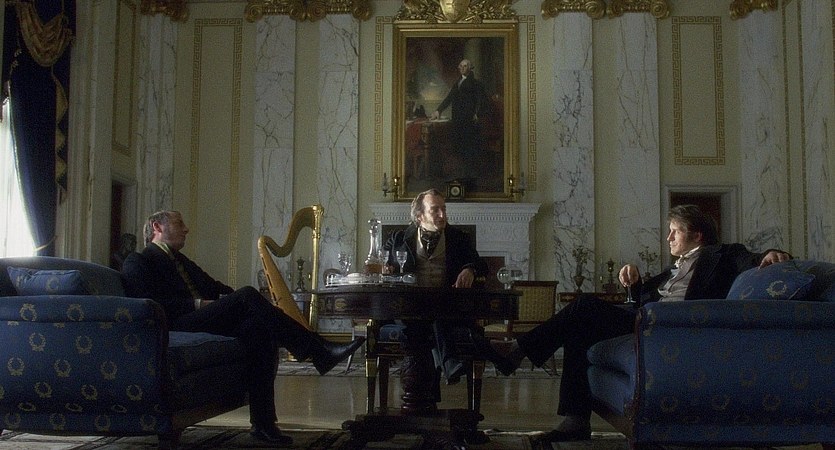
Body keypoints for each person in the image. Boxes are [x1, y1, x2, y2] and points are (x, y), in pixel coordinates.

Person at [492, 204, 792, 442]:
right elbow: (644, 296)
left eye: (675, 231)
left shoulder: (723, 254)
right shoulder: (675, 267)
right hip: (646, 317)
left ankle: (517, 351)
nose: (669, 238)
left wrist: (772, 254)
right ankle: (576, 420)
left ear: (698, 235)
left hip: (670, 325)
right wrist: (634, 282)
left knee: (583, 306)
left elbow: (750, 259)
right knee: (579, 327)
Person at [121, 210, 365, 446]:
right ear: (157, 227)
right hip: (176, 324)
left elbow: (214, 286)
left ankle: (263, 425)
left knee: (257, 328)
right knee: (248, 295)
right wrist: (202, 304)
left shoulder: (181, 261)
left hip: (201, 319)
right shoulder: (139, 260)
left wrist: (248, 304)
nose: (186, 229)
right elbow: (149, 304)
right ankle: (319, 350)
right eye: (179, 223)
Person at [382, 188, 514, 385]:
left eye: (444, 209)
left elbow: (481, 265)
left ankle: (449, 364)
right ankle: (462, 360)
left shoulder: (458, 237)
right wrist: (385, 268)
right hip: (408, 308)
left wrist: (469, 269)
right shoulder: (399, 239)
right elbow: (381, 260)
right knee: (435, 316)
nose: (442, 215)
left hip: (446, 305)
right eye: (435, 210)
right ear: (419, 216)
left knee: (435, 313)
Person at [430, 59, 489, 178]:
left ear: (470, 68)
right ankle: (461, 173)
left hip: (469, 121)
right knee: (458, 146)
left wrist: (477, 114)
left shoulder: (476, 84)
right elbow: (449, 98)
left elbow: (483, 101)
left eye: (465, 66)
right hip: (457, 120)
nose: (462, 68)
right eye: (460, 66)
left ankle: (469, 174)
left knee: (469, 147)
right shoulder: (457, 83)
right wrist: (438, 110)